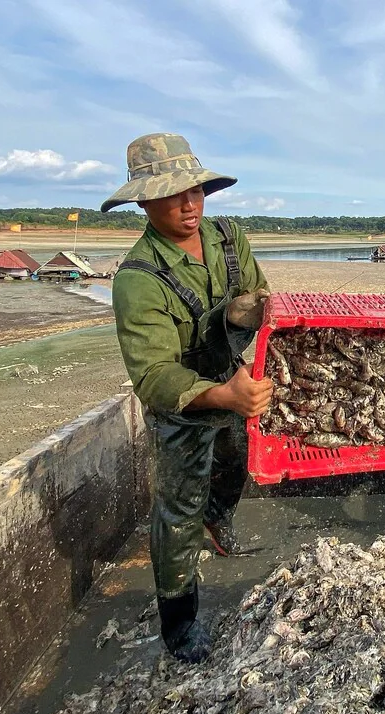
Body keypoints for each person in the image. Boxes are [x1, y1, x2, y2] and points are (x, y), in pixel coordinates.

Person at [105, 132, 273, 662]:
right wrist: (220, 393)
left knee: (236, 461)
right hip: (184, 406)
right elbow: (153, 374)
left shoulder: (228, 237)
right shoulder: (138, 279)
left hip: (234, 386)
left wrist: (246, 320)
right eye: (173, 195)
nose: (189, 204)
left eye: (196, 191)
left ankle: (218, 519)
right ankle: (179, 624)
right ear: (143, 201)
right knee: (177, 511)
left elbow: (260, 296)